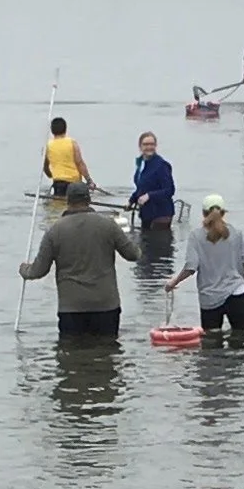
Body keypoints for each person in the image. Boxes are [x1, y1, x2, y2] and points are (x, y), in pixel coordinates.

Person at [19, 181, 140, 336]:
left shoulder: (55, 231)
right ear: (89, 200)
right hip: (106, 306)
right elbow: (133, 255)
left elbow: (38, 271)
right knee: (107, 353)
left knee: (71, 354)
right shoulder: (108, 226)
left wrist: (24, 270)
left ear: (67, 201)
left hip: (72, 308)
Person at [165, 194, 244, 333]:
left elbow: (191, 267)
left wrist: (174, 282)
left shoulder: (196, 236)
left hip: (209, 297)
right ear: (223, 213)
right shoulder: (236, 233)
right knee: (240, 338)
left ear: (203, 213)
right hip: (237, 293)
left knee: (211, 343)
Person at [130, 131, 176, 230]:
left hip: (161, 215)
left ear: (155, 146)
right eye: (145, 144)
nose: (149, 147)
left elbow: (170, 190)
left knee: (156, 244)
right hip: (146, 213)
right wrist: (131, 200)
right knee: (144, 243)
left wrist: (149, 196)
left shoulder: (161, 165)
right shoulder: (141, 164)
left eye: (152, 144)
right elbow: (142, 188)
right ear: (140, 147)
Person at [43, 117, 95, 199]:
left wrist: (51, 175)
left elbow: (45, 167)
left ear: (52, 131)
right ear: (65, 129)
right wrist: (89, 181)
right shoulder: (72, 143)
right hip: (74, 184)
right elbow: (79, 163)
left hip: (58, 183)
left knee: (59, 205)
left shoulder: (48, 146)